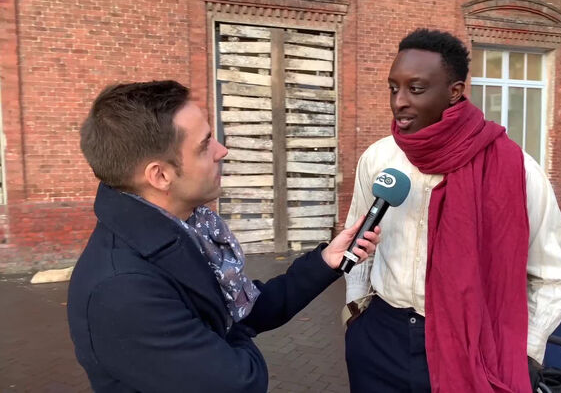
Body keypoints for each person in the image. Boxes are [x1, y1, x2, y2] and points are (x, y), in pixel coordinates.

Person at [67, 80, 380, 393]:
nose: (222, 150)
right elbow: (241, 381)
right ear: (160, 175)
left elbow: (248, 308)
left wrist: (325, 262)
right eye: (204, 145)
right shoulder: (122, 290)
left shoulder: (190, 228)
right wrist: (232, 326)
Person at [343, 28, 561, 392]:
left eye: (416, 89)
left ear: (454, 92)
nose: (399, 102)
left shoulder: (517, 170)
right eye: (394, 88)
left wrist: (528, 353)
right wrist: (356, 311)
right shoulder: (379, 158)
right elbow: (359, 241)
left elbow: (553, 276)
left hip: (471, 344)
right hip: (380, 335)